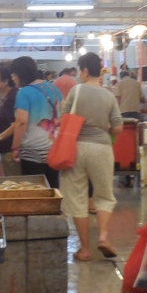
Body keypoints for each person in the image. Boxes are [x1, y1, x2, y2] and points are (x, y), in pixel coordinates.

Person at [59, 51, 123, 261]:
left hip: (76, 148)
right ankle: (103, 237)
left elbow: (63, 118)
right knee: (104, 195)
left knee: (77, 197)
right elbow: (118, 127)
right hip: (102, 149)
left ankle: (85, 249)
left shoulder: (76, 90)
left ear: (85, 71)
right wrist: (104, 127)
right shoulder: (109, 96)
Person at [1, 56, 61, 187]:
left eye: (14, 74)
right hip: (55, 149)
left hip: (32, 152)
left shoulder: (24, 92)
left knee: (35, 189)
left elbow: (21, 122)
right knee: (53, 188)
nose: (13, 78)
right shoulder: (53, 88)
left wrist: (15, 147)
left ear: (21, 74)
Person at [0, 61, 20, 176]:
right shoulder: (8, 97)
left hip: (11, 150)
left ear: (6, 81)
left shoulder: (12, 98)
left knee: (15, 182)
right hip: (7, 149)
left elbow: (16, 124)